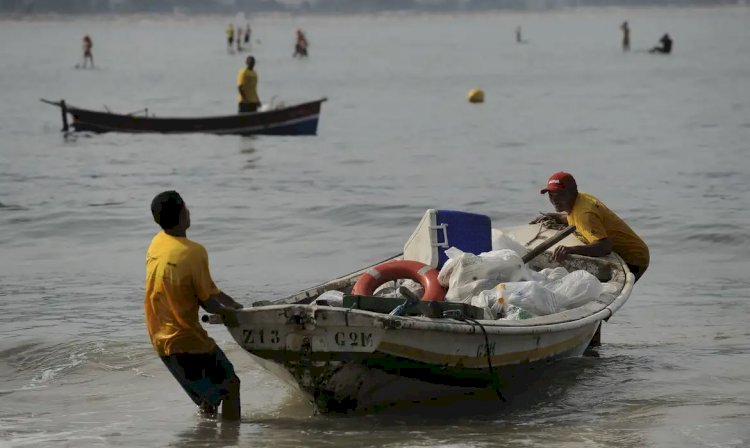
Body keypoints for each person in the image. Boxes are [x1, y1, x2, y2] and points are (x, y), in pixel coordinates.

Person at [145, 191, 244, 420]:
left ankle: (205, 437)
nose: (189, 211)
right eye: (186, 208)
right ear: (182, 215)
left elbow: (209, 289)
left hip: (159, 337)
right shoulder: (193, 252)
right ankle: (230, 439)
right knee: (231, 386)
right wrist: (231, 316)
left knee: (207, 398)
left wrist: (234, 305)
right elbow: (208, 302)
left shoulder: (157, 243)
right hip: (185, 339)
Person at [535, 171, 650, 282]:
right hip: (623, 251)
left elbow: (605, 246)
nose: (554, 199)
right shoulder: (580, 199)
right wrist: (554, 217)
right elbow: (574, 217)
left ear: (573, 191)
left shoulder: (585, 214)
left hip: (633, 258)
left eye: (559, 194)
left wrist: (570, 250)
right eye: (551, 194)